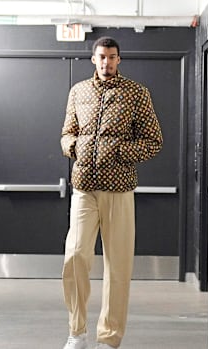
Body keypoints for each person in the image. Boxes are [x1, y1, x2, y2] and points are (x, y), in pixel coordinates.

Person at [60, 36, 163, 349]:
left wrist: (118, 151)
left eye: (112, 57)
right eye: (101, 57)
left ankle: (109, 338)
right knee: (75, 256)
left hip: (119, 190)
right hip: (83, 188)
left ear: (119, 60)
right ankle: (76, 332)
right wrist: (74, 146)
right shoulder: (78, 91)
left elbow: (153, 141)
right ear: (93, 59)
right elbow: (67, 133)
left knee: (118, 266)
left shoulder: (136, 93)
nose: (106, 62)